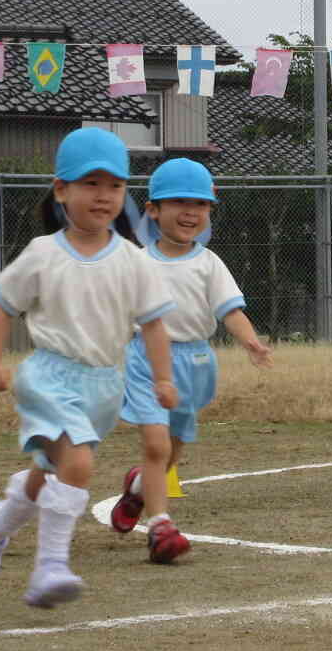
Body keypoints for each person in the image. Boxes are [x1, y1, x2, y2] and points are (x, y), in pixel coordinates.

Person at [0, 127, 176, 608]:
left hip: (104, 386)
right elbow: (1, 307)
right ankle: (50, 568)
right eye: (90, 183)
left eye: (114, 185)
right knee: (78, 463)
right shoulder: (42, 254)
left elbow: (155, 325)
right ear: (61, 190)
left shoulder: (135, 261)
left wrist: (163, 378)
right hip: (48, 376)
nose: (103, 196)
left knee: (47, 475)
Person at [110, 158, 272, 562]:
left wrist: (251, 341)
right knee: (155, 444)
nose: (190, 212)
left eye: (199, 204)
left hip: (196, 362)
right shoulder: (137, 263)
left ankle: (136, 492)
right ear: (152, 209)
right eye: (178, 202)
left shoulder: (209, 263)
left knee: (173, 450)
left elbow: (230, 311)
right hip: (147, 361)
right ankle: (161, 526)